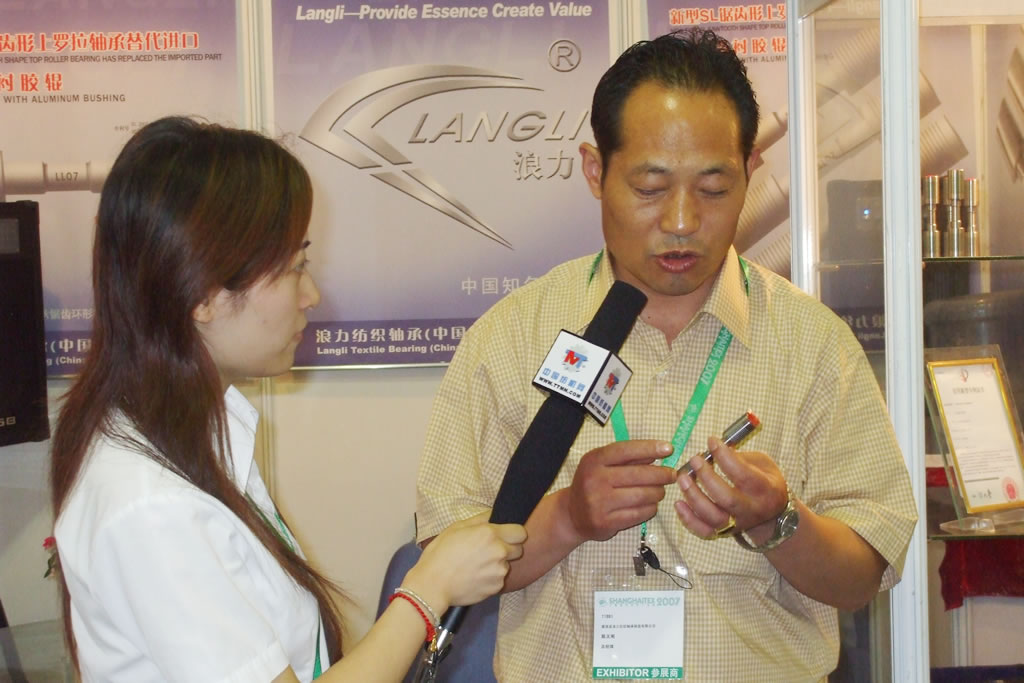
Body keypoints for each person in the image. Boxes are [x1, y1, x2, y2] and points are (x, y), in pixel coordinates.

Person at [416, 28, 917, 682]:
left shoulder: (813, 344)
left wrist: (777, 521)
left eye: (713, 188)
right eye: (651, 187)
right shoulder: (510, 337)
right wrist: (566, 518)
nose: (682, 221)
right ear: (595, 171)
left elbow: (864, 574)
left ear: (751, 170)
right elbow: (441, 570)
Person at [49, 116, 526, 683]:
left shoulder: (190, 435)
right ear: (203, 294)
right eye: (293, 268)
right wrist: (429, 589)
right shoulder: (150, 506)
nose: (312, 294)